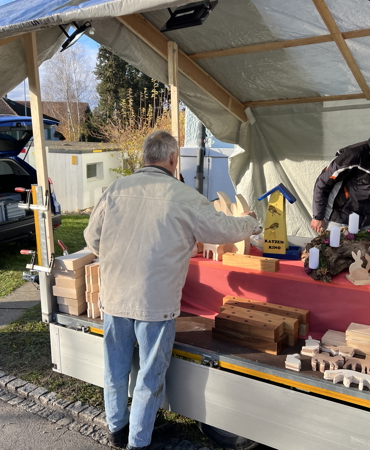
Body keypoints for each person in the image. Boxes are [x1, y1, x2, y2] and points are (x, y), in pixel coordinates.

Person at [84, 130, 261, 450]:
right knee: (149, 375)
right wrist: (250, 221)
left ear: (144, 158)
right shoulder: (183, 195)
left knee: (116, 368)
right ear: (172, 159)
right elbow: (223, 230)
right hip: (154, 301)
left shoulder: (116, 188)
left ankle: (117, 429)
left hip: (114, 295)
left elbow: (92, 239)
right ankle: (139, 442)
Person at [310, 118, 370, 233]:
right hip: (339, 221)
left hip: (368, 225)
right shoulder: (354, 155)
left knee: (367, 252)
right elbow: (323, 183)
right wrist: (318, 216)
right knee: (335, 251)